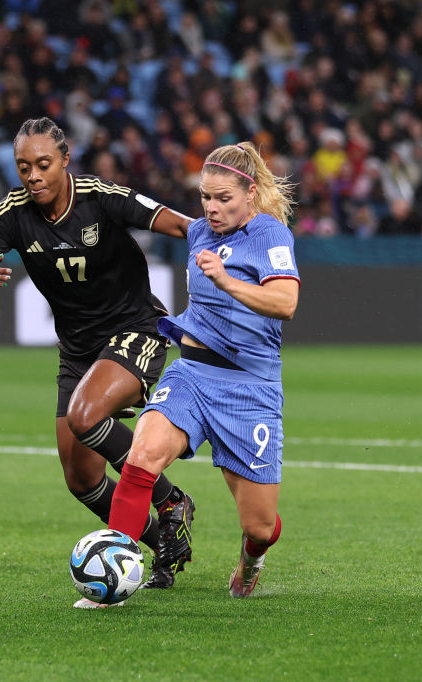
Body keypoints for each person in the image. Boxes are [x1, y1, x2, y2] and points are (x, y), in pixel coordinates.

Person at [0, 117, 196, 607]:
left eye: (43, 164)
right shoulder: (9, 216)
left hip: (135, 330)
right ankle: (162, 539)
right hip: (79, 351)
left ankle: (170, 500)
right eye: (24, 167)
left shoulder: (101, 197)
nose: (33, 175)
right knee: (80, 479)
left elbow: (184, 226)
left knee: (86, 417)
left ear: (66, 159)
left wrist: (226, 249)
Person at [107, 142, 300, 598]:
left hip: (249, 388)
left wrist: (226, 279)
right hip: (190, 374)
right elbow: (150, 212)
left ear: (250, 193)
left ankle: (251, 561)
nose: (212, 209)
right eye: (205, 199)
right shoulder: (199, 233)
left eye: (223, 199)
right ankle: (111, 569)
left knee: (260, 525)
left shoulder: (270, 235)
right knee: (141, 458)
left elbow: (286, 303)